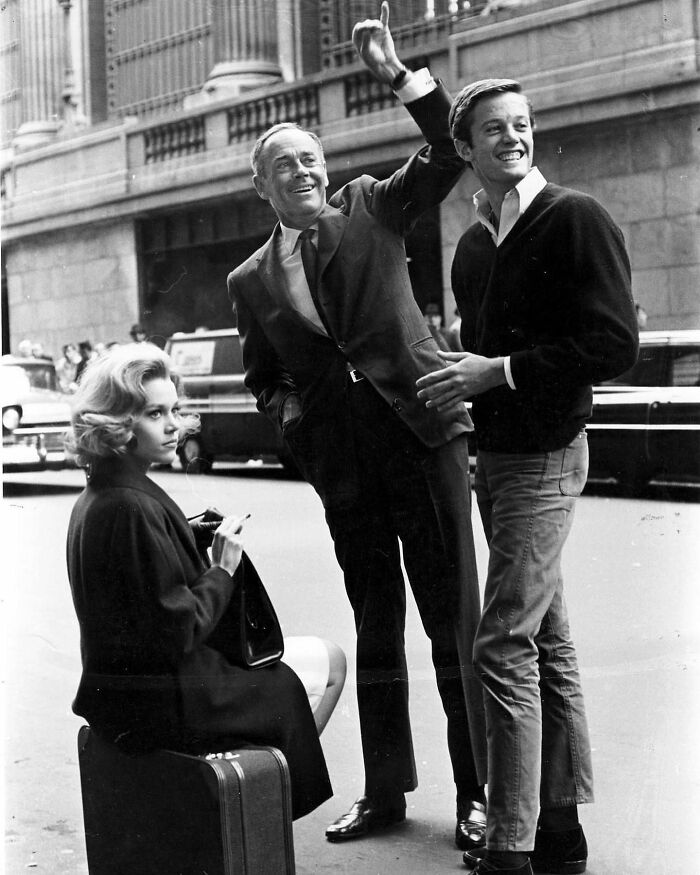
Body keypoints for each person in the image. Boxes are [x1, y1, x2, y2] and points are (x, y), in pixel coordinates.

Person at [228, 1, 487, 850]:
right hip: (349, 472)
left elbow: (449, 149)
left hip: (422, 442)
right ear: (261, 187)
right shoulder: (250, 280)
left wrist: (399, 76)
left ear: (326, 166)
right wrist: (304, 431)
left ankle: (478, 793)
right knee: (376, 629)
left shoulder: (374, 205)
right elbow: (265, 380)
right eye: (284, 166)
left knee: (452, 620)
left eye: (311, 158)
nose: (303, 170)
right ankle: (386, 789)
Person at [416, 79, 639, 873]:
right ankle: (561, 831)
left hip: (546, 457)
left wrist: (498, 371)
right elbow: (475, 357)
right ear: (467, 149)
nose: (513, 137)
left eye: (522, 125)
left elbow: (615, 347)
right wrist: (465, 374)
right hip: (496, 462)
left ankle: (511, 846)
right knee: (546, 637)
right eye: (494, 129)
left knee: (502, 641)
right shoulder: (474, 246)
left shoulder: (575, 218)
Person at [65, 343, 346, 821]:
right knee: (327, 665)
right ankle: (258, 810)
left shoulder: (101, 495)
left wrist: (186, 538)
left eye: (174, 409)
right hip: (168, 702)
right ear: (116, 425)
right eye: (155, 413)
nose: (174, 424)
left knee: (299, 673)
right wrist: (223, 568)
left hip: (126, 699)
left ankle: (257, 803)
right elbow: (176, 629)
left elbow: (140, 591)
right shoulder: (131, 506)